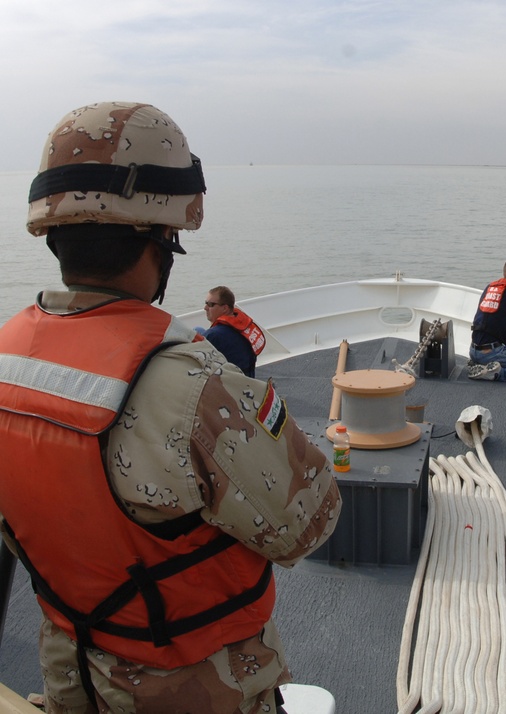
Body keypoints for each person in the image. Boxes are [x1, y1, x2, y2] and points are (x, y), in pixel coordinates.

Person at [0, 101, 342, 714]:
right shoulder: (194, 387)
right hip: (189, 687)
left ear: (52, 233)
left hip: (70, 670)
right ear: (162, 239)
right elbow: (309, 525)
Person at [200, 285, 266, 377]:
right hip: (248, 378)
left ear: (225, 308)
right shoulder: (244, 326)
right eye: (206, 303)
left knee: (197, 331)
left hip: (228, 386)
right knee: (199, 330)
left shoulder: (214, 335)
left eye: (210, 304)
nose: (205, 308)